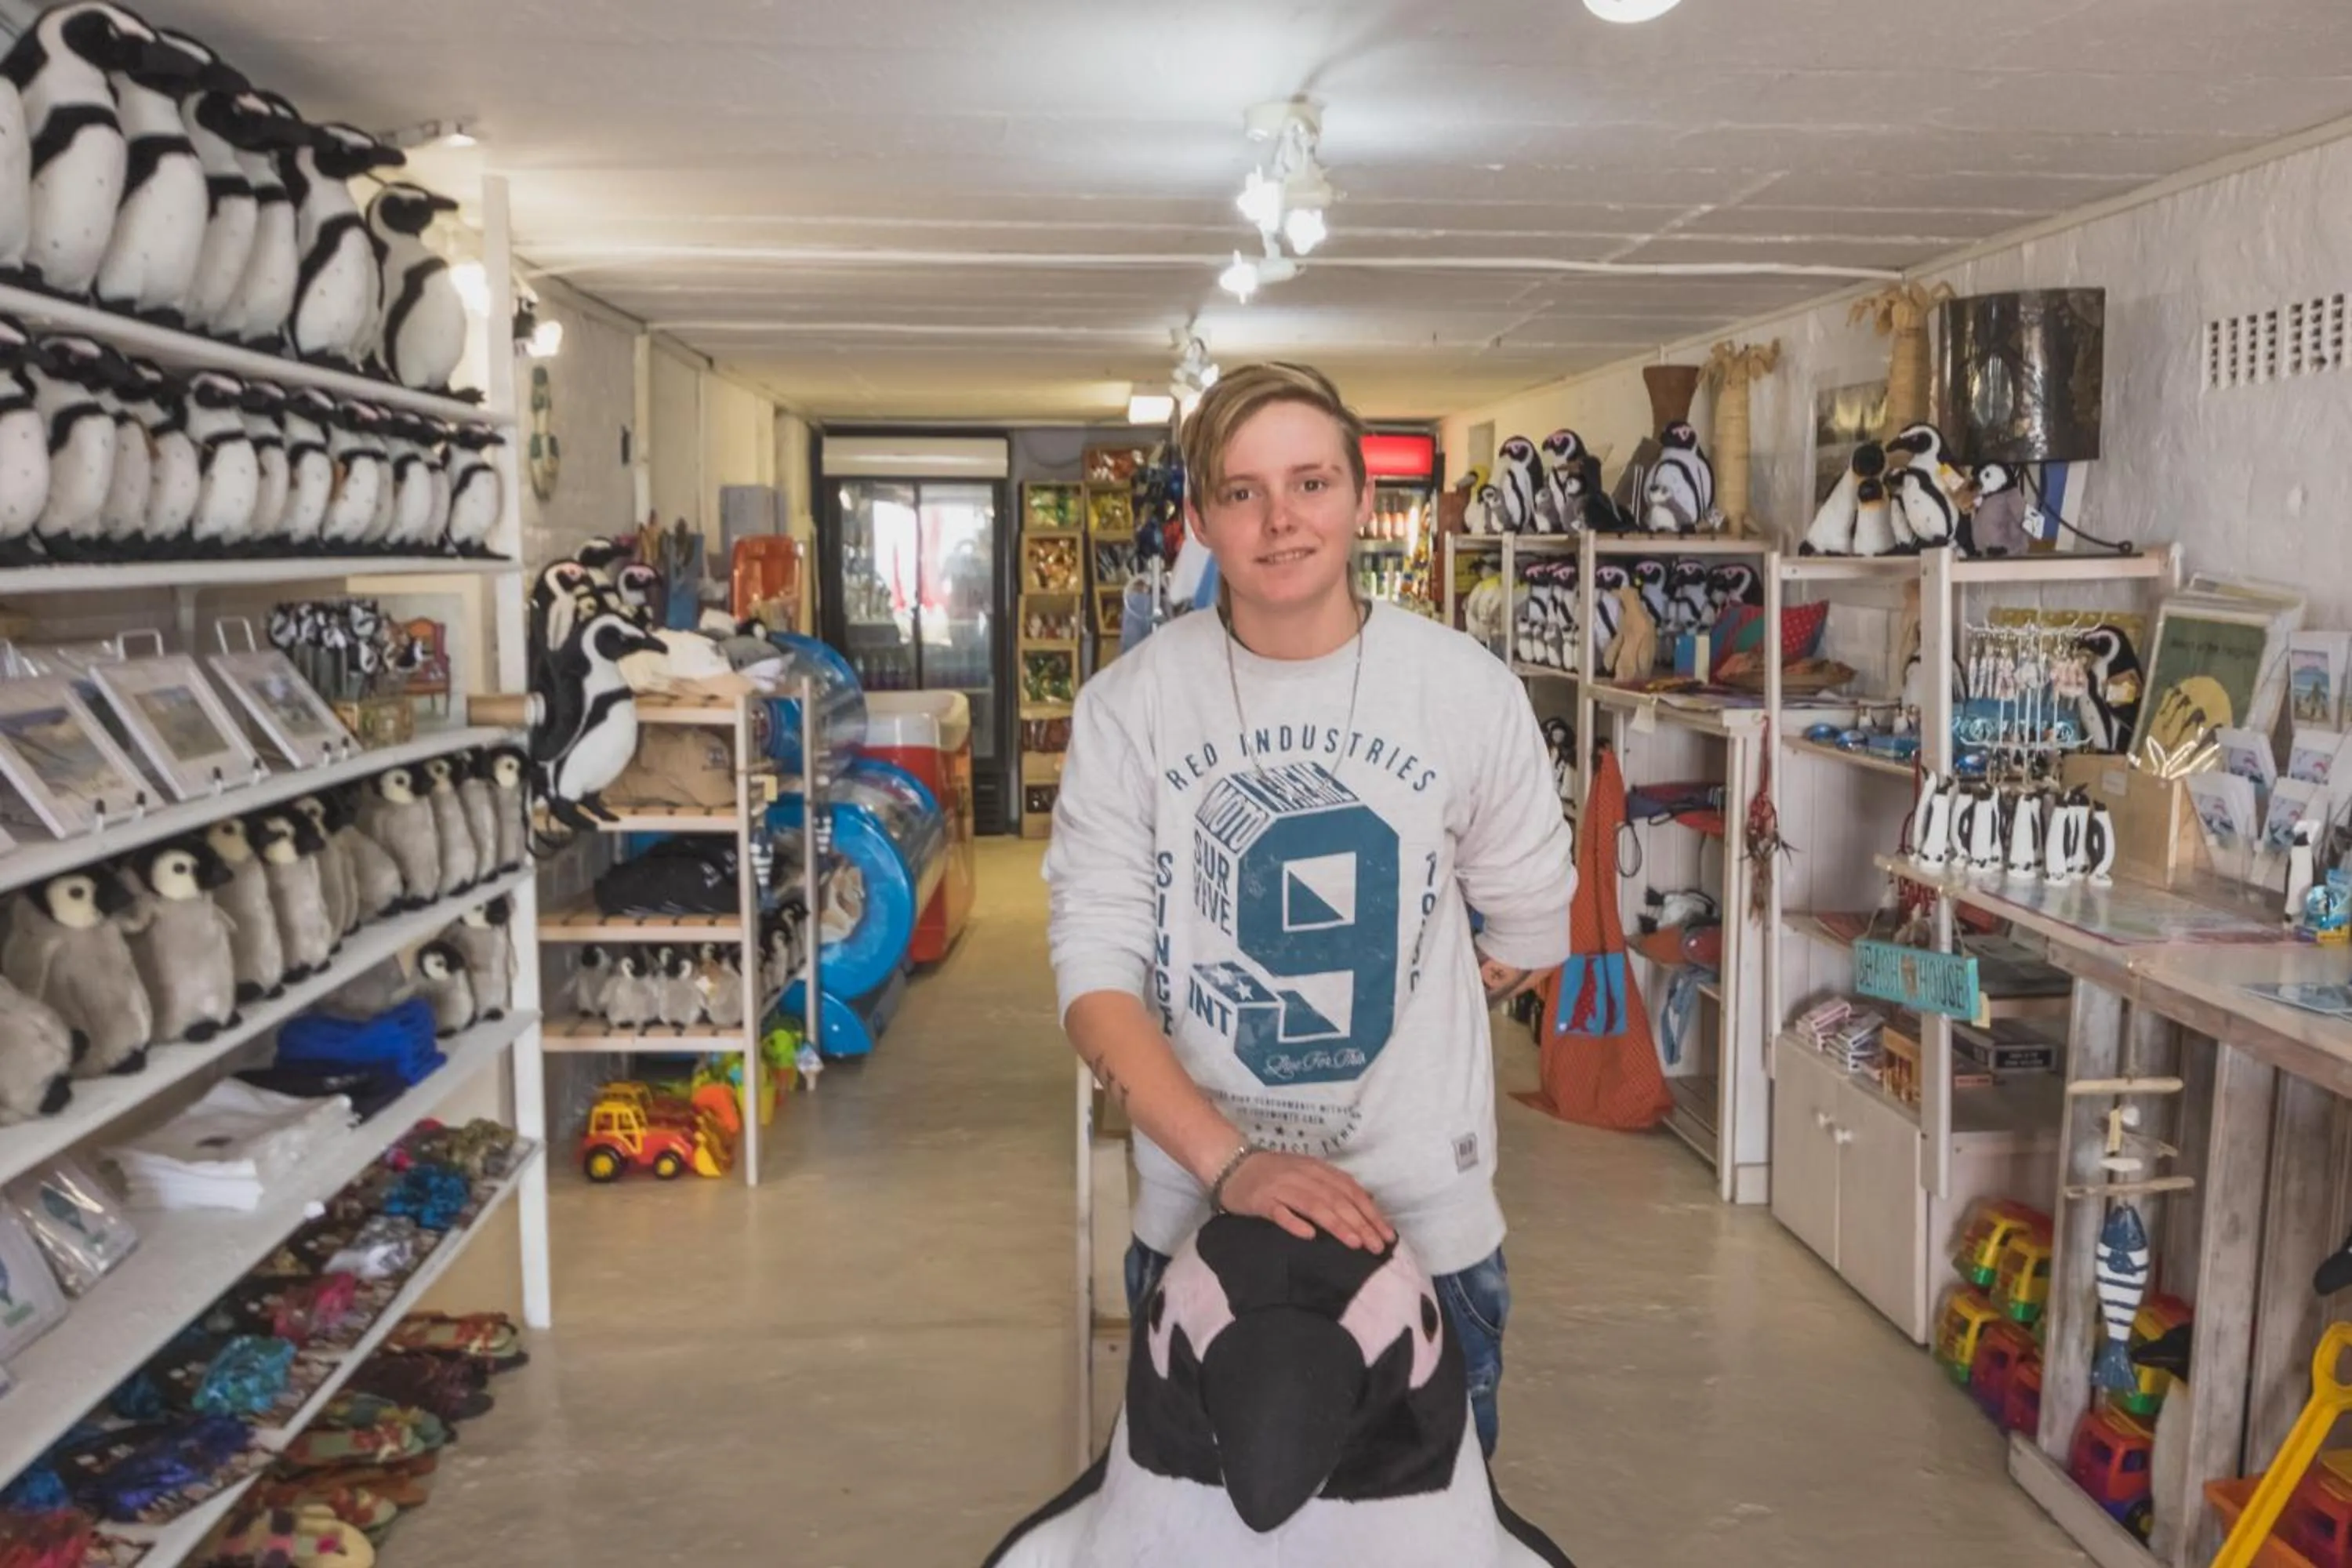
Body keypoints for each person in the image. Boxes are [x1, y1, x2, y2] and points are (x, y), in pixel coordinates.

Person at [1042, 362, 1576, 1456]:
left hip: (1421, 1229)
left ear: (1361, 498)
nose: (1281, 520)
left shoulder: (1464, 691)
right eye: (1242, 492)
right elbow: (1094, 976)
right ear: (1199, 520)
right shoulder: (1128, 709)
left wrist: (1425, 991)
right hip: (1201, 1226)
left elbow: (1530, 927)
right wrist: (1231, 1164)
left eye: (1311, 483)